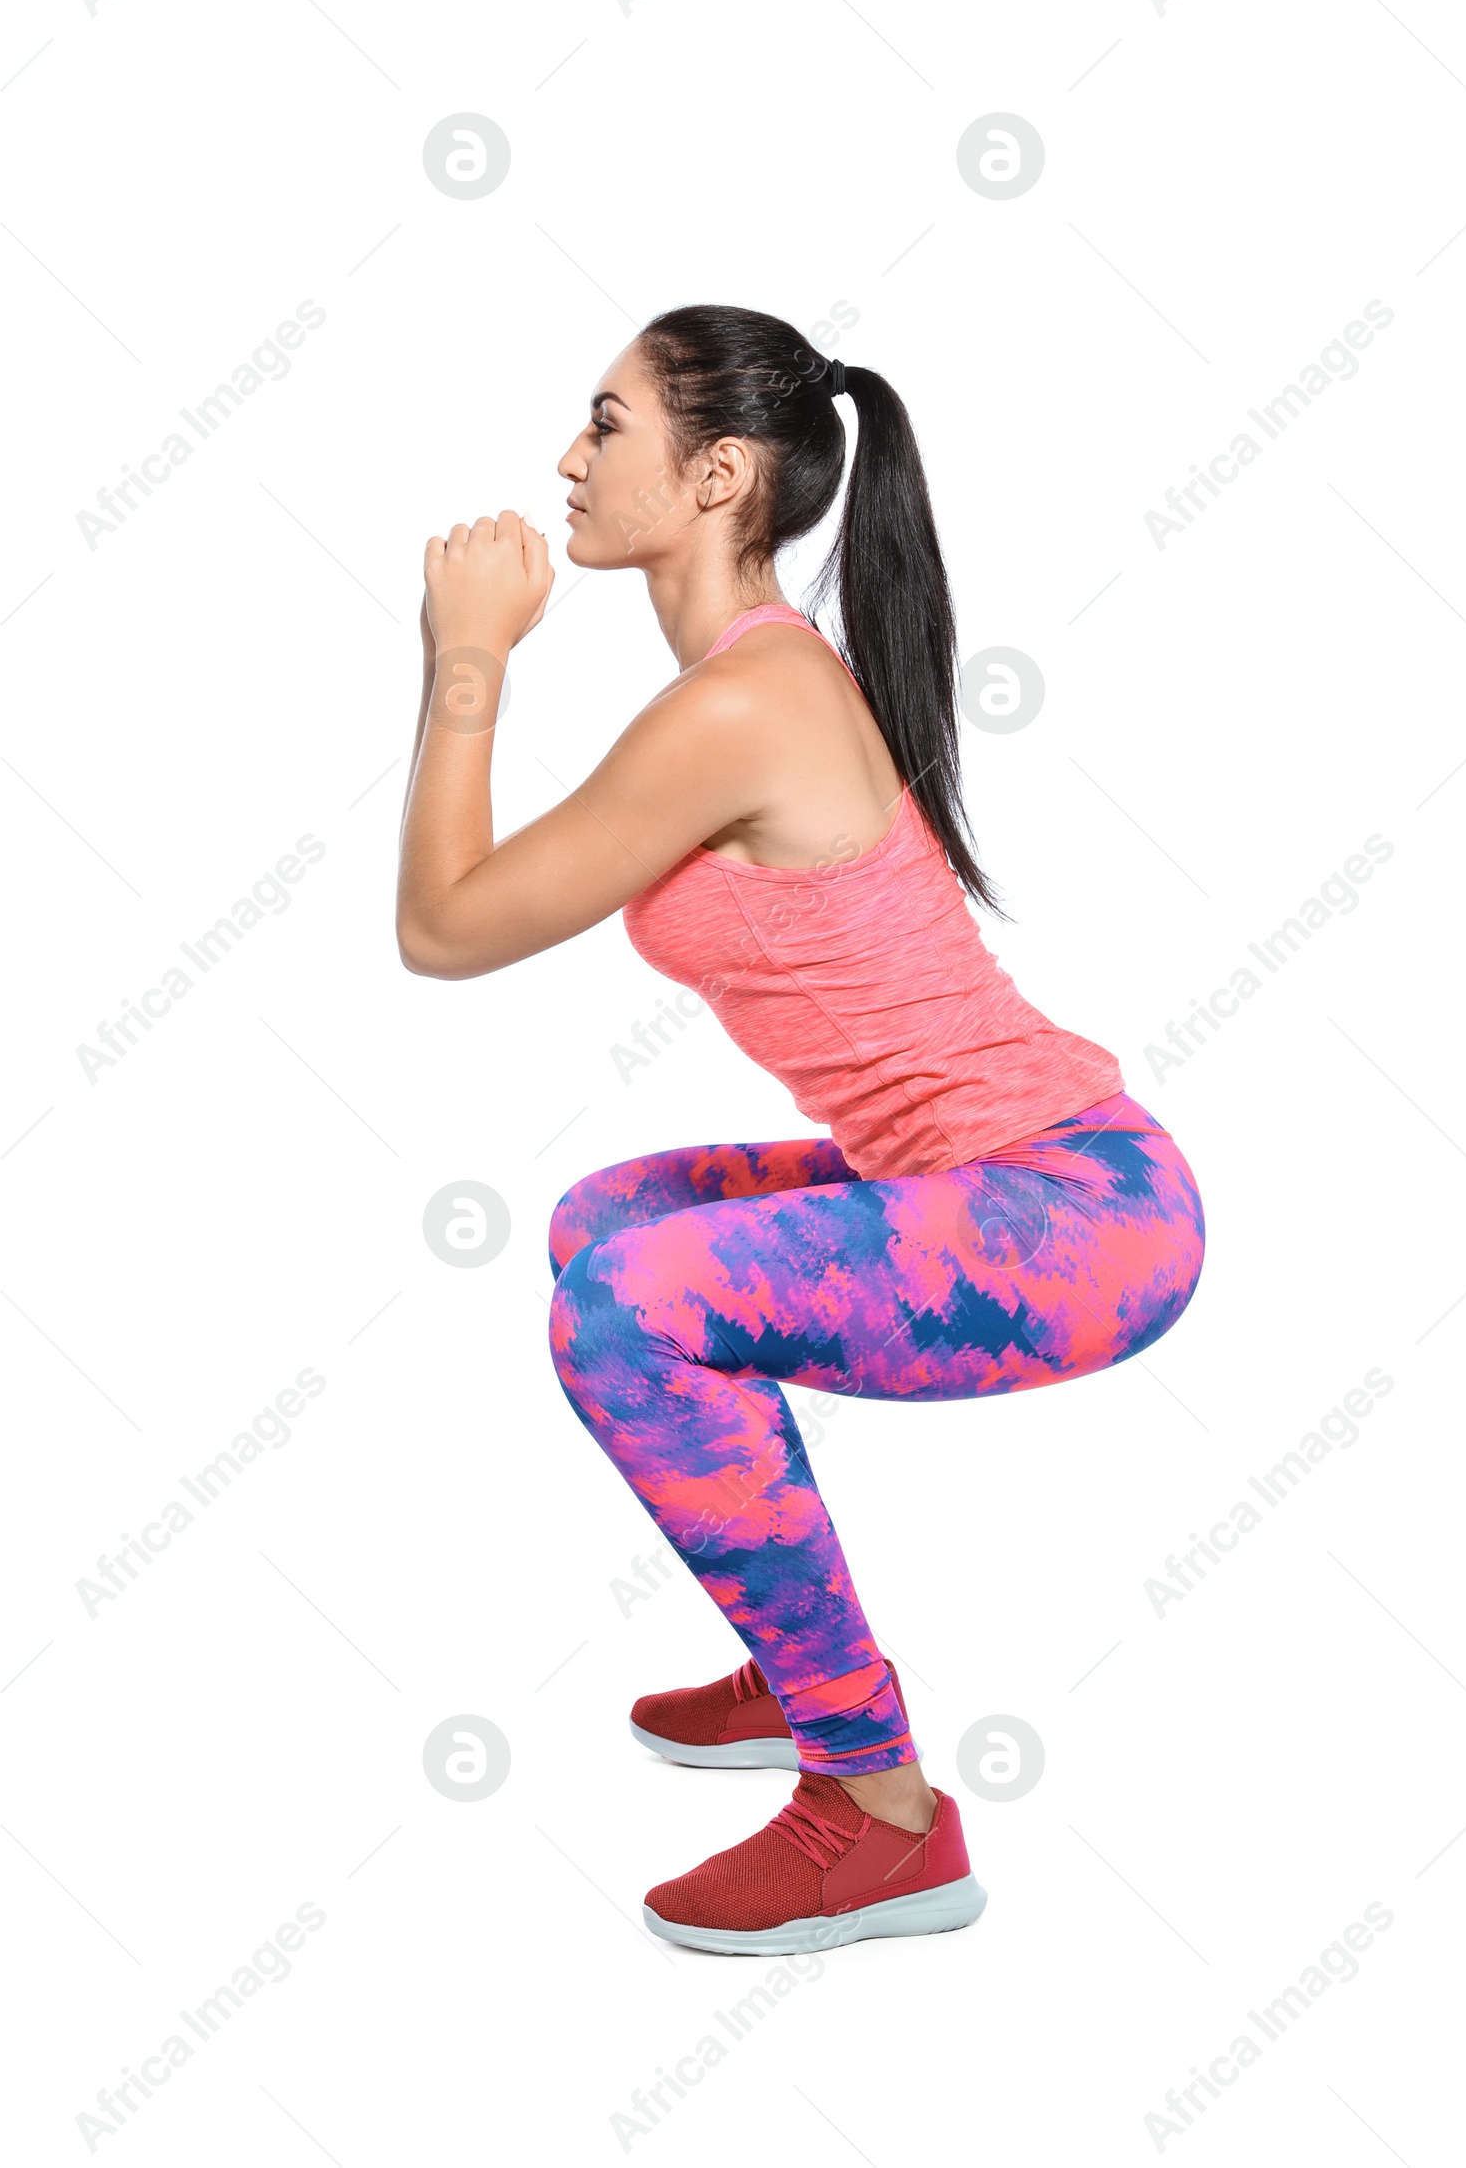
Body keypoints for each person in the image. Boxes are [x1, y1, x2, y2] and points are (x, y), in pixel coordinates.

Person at [396, 304, 1205, 1956]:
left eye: (605, 425)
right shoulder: (748, 682)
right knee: (603, 1227)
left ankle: (877, 1809)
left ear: (718, 475)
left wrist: (464, 655)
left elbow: (448, 926)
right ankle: (796, 1642)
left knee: (626, 1315)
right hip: (1024, 1182)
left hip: (1079, 1220)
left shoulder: (742, 708)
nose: (567, 458)